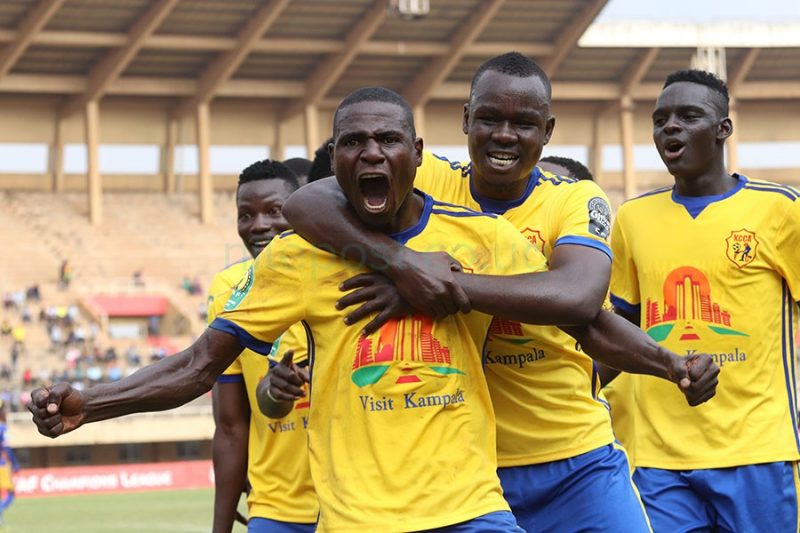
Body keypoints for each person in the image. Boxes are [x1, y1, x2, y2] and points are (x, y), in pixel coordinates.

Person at [29, 87, 553, 531]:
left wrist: (459, 285)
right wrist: (92, 403)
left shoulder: (482, 238)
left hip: (471, 511)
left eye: (388, 139)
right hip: (356, 520)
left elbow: (574, 307)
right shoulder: (294, 257)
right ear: (335, 160)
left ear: (417, 153)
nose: (371, 153)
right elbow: (199, 364)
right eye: (354, 141)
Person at [279, 52, 718, 532]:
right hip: (469, 475)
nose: (504, 135)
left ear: (547, 131)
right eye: (489, 118)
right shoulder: (428, 178)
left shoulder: (572, 198)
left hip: (575, 456)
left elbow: (578, 299)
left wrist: (433, 285)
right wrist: (403, 264)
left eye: (523, 123)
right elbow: (305, 203)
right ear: (466, 119)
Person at [607, 69, 800, 531]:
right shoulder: (632, 218)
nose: (670, 127)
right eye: (660, 120)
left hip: (757, 450)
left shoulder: (780, 210)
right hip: (658, 458)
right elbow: (621, 327)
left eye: (688, 116)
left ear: (722, 129)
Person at [208, 159, 317, 532]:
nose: (258, 225)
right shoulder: (229, 289)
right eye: (246, 215)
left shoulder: (350, 275)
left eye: (275, 211)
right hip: (276, 509)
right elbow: (230, 425)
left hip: (354, 507)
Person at [0, 401, 19, 527]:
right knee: (11, 493)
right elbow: (7, 448)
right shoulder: (2, 428)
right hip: (1, 465)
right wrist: (15, 464)